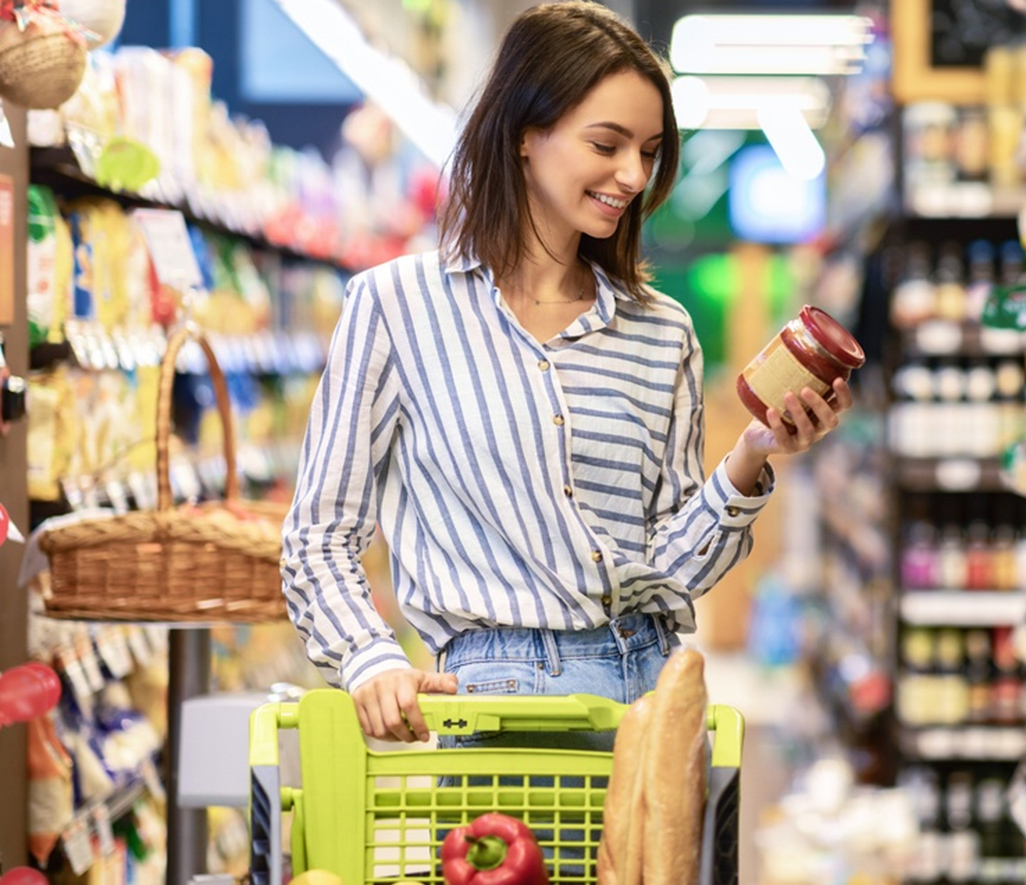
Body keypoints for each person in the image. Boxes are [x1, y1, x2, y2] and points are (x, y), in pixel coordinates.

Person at [280, 0, 853, 746]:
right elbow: (319, 535)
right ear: (526, 133)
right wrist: (368, 657)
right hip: (493, 708)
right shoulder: (396, 306)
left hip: (651, 702)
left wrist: (752, 454)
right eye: (607, 143)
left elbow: (670, 571)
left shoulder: (663, 332)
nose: (632, 174)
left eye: (648, 151)